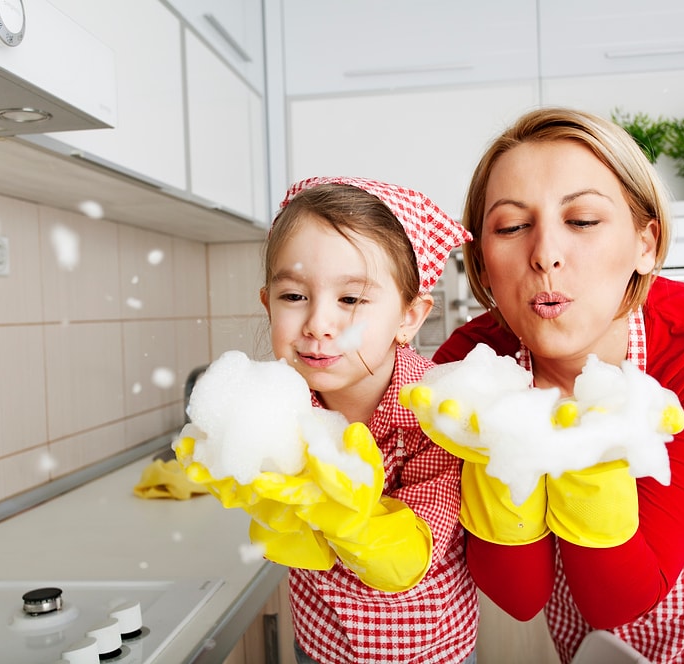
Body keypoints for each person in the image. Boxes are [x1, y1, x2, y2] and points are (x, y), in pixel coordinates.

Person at [420, 108, 684, 663]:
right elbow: (519, 597)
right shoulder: (467, 369)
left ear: (644, 244)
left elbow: (621, 597)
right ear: (482, 265)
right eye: (510, 227)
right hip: (587, 620)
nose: (545, 254)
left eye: (582, 220)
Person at [180, 176, 479, 664]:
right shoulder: (280, 406)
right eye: (294, 296)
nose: (318, 324)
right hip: (320, 645)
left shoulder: (436, 417)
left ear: (409, 316)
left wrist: (337, 509)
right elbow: (285, 535)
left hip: (433, 651)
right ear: (267, 303)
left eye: (351, 299)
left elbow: (408, 557)